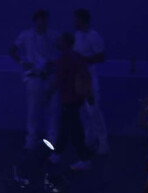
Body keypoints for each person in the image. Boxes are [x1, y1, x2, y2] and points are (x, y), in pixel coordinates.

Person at [10, 9, 59, 151]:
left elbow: (64, 49)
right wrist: (22, 62)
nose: (42, 22)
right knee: (32, 109)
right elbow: (12, 50)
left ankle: (52, 139)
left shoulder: (53, 35)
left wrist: (54, 63)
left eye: (45, 19)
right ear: (35, 20)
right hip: (34, 76)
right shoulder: (26, 35)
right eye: (40, 19)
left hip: (49, 76)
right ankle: (31, 139)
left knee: (53, 110)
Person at [53, 32, 93, 171]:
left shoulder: (63, 60)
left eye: (59, 41)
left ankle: (83, 158)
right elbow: (86, 76)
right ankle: (57, 154)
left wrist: (48, 94)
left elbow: (58, 81)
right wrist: (89, 95)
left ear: (64, 43)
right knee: (68, 126)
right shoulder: (78, 57)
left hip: (68, 99)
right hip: (78, 98)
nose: (57, 43)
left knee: (74, 129)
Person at [73, 8, 107, 155]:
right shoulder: (77, 35)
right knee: (85, 112)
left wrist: (84, 60)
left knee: (94, 111)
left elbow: (101, 57)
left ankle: (103, 142)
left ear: (82, 20)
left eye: (76, 19)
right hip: (79, 77)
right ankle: (90, 140)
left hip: (90, 77)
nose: (74, 22)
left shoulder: (94, 37)